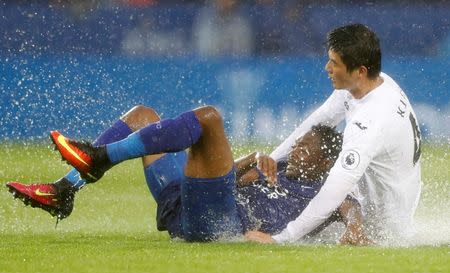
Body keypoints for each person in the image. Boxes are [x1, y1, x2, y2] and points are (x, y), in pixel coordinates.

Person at [6, 105, 369, 244]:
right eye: (299, 144)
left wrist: (355, 231)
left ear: (325, 163)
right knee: (143, 116)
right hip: (186, 204)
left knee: (209, 119)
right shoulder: (281, 168)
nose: (296, 151)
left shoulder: (328, 188)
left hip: (219, 223)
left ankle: (98, 158)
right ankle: (65, 189)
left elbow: (351, 209)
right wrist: (254, 159)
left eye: (307, 150)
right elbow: (232, 180)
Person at [247, 23, 422, 244]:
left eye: (334, 63)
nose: (327, 67)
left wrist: (282, 238)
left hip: (386, 228)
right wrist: (273, 158)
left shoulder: (371, 121)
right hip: (396, 193)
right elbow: (320, 119)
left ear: (360, 71)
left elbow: (336, 188)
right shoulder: (375, 82)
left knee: (320, 179)